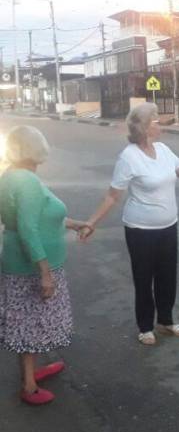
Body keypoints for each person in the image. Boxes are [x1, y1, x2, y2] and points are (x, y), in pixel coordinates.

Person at [82, 103, 179, 345]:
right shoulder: (129, 157)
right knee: (144, 278)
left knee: (168, 276)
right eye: (156, 121)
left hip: (169, 226)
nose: (160, 123)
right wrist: (91, 222)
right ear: (144, 128)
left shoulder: (164, 149)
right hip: (140, 230)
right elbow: (113, 195)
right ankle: (145, 326)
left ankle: (166, 321)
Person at [0, 126, 90, 405]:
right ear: (35, 149)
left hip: (20, 262)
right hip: (30, 268)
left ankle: (32, 372)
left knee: (31, 323)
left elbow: (37, 217)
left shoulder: (11, 176)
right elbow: (28, 229)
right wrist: (45, 273)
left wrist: (75, 224)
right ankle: (28, 386)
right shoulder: (26, 181)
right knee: (29, 324)